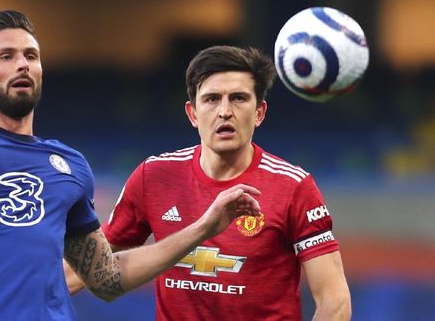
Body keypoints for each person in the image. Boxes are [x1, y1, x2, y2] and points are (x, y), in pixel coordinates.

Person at [0, 11, 262, 321]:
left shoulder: (68, 166)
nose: (22, 64)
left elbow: (107, 278)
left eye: (30, 55)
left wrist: (206, 225)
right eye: (5, 56)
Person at [65, 45, 352, 320]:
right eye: (212, 99)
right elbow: (88, 270)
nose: (224, 111)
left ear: (259, 113)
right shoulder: (153, 176)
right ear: (192, 113)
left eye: (238, 98)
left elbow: (334, 302)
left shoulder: (293, 187)